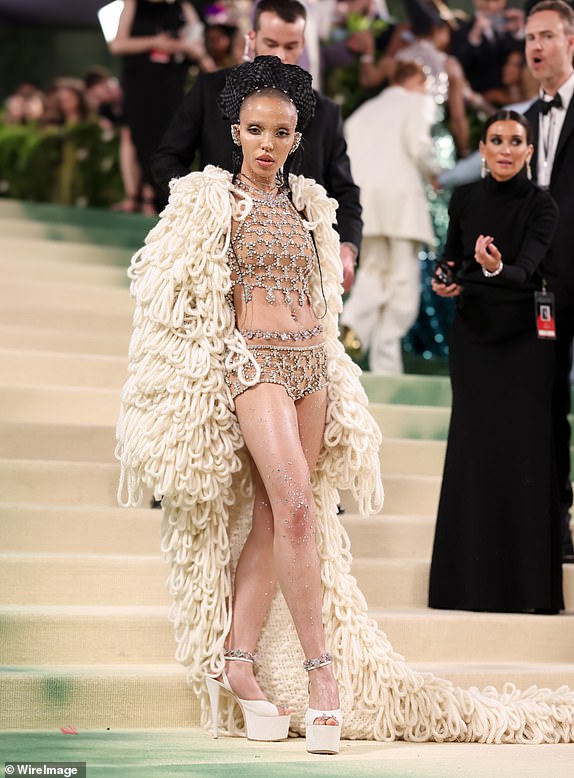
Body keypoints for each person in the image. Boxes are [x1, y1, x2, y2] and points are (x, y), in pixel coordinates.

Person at [117, 57, 574, 750]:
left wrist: (329, 362)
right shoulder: (210, 201)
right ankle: (319, 668)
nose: (267, 143)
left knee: (280, 514)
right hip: (253, 365)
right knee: (297, 504)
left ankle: (237, 663)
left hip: (312, 367)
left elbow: (326, 306)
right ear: (236, 133)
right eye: (255, 131)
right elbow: (169, 296)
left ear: (297, 136)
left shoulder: (309, 203)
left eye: (281, 131)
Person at [428, 110, 562, 613]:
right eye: (496, 140)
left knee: (524, 455)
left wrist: (495, 265)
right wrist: (446, 276)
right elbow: (451, 257)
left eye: (516, 141)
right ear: (482, 149)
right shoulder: (464, 198)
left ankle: (526, 590)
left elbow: (526, 268)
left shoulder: (542, 206)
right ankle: (464, 586)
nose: (506, 149)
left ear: (529, 152)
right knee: (473, 452)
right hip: (475, 337)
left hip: (525, 340)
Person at [151, 0, 362, 292]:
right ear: (252, 38)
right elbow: (167, 160)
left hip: (296, 268)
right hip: (218, 254)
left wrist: (347, 248)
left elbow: (345, 192)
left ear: (302, 44)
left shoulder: (325, 112)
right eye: (271, 43)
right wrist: (203, 199)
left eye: (290, 46)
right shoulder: (210, 90)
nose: (280, 55)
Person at [340, 60, 440, 373]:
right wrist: (434, 174)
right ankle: (376, 342)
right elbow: (419, 145)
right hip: (401, 201)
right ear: (415, 81)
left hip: (366, 202)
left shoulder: (363, 111)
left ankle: (355, 326)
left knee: (373, 270)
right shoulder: (418, 102)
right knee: (403, 280)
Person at [523, 0, 574, 563]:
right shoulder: (524, 123)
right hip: (545, 291)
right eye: (529, 39)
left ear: (570, 42)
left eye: (546, 36)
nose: (536, 47)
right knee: (549, 403)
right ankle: (557, 524)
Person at [109, 0, 216, 214]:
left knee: (165, 136)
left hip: (170, 81)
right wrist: (155, 42)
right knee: (134, 134)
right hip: (139, 81)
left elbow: (197, 47)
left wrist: (183, 48)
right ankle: (133, 196)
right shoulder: (133, 4)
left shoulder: (183, 7)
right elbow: (117, 44)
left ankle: (154, 196)